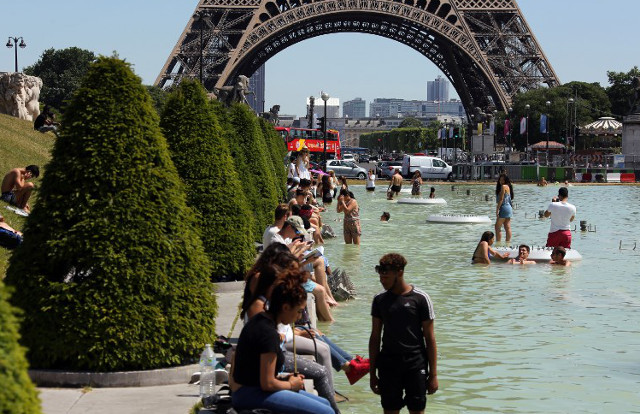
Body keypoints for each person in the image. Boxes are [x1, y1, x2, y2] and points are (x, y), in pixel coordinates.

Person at [231, 270, 335, 414]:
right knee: (326, 412)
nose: (299, 317)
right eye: (299, 311)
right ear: (285, 307)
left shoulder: (263, 321)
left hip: (252, 388)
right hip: (250, 394)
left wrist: (285, 378)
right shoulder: (268, 333)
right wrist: (291, 384)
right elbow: (267, 383)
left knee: (325, 403)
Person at [369, 253, 438, 414]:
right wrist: (372, 374)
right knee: (390, 410)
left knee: (417, 410)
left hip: (416, 364)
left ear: (399, 273)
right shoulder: (379, 300)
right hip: (388, 364)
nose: (382, 281)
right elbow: (375, 337)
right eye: (381, 277)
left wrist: (433, 375)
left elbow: (430, 338)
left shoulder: (421, 299)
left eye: (386, 277)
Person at [495, 173, 514, 243]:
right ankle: (508, 243)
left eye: (503, 180)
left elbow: (501, 199)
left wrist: (497, 210)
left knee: (497, 227)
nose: (501, 181)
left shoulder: (503, 187)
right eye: (500, 180)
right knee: (507, 226)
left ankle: (498, 243)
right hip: (509, 208)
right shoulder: (508, 187)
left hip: (504, 208)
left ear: (506, 180)